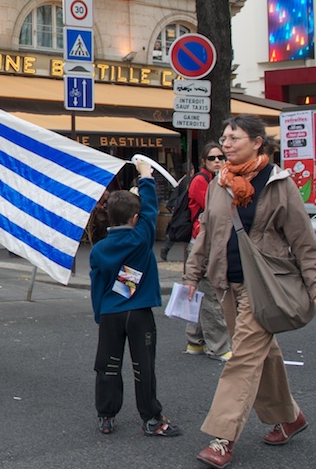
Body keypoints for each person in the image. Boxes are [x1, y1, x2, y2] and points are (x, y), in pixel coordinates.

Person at [185, 115, 316, 468]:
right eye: (224, 138)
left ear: (257, 142)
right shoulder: (219, 184)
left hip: (265, 286)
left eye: (234, 137)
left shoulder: (279, 183)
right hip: (228, 284)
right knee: (262, 355)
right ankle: (290, 416)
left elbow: (303, 240)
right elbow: (205, 234)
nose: (226, 144)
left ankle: (222, 438)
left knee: (243, 359)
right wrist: (192, 276)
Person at [90, 158, 181, 438]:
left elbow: (96, 286)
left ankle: (106, 415)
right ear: (135, 218)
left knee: (108, 365)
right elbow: (151, 209)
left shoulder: (99, 250)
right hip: (139, 311)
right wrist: (146, 177)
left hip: (110, 312)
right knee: (143, 367)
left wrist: (99, 314)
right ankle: (152, 419)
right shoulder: (142, 237)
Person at [184, 142, 231, 362]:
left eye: (221, 157)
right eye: (212, 158)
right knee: (211, 294)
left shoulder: (214, 181)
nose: (217, 161)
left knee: (199, 294)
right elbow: (216, 211)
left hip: (207, 241)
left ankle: (195, 341)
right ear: (204, 161)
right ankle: (219, 346)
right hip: (202, 242)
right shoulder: (203, 182)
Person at [161, 162, 196, 261]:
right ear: (192, 170)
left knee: (176, 229)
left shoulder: (181, 181)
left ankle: (167, 247)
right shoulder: (189, 181)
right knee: (184, 230)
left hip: (179, 208)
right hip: (184, 208)